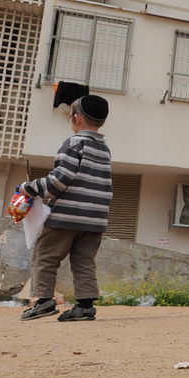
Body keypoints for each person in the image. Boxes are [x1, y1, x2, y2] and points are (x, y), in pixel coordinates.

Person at [19, 94, 112, 322]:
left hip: (68, 214)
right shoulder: (104, 149)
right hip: (95, 218)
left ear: (76, 119)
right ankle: (85, 306)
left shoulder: (74, 143)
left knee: (46, 256)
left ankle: (43, 301)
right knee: (84, 260)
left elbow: (60, 179)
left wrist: (29, 189)